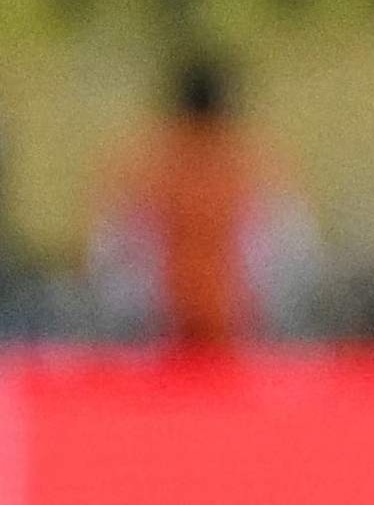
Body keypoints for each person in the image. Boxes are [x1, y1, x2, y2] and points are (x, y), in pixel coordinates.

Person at [89, 56, 314, 352]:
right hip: (224, 334)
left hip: (170, 335)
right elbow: (295, 256)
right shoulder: (253, 166)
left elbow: (110, 256)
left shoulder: (146, 167)